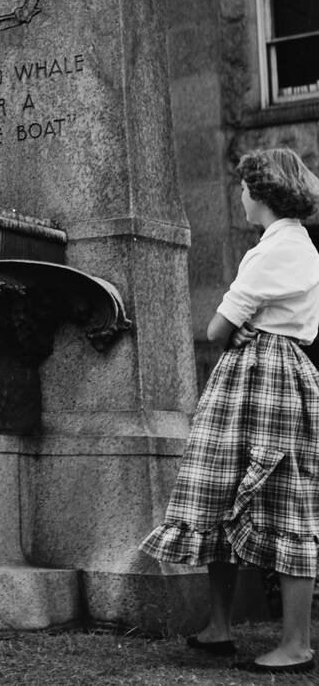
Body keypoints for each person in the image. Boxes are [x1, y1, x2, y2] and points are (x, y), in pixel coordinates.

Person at [141, 147, 319, 674]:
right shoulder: (291, 246)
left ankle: (295, 643)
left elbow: (218, 328)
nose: (239, 197)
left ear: (261, 193)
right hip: (268, 371)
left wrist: (235, 323)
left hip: (261, 377)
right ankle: (219, 627)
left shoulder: (276, 251)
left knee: (282, 500)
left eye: (244, 189)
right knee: (225, 490)